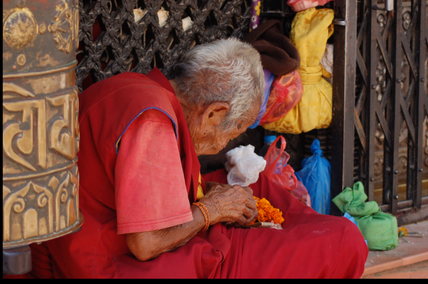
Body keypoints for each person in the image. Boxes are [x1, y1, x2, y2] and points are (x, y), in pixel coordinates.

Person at [41, 37, 368, 278]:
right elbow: (144, 244)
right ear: (214, 113)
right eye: (234, 129)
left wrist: (211, 199)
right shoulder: (152, 122)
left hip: (98, 231)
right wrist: (210, 210)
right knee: (345, 240)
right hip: (110, 263)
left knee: (260, 190)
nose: (229, 141)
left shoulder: (138, 88)